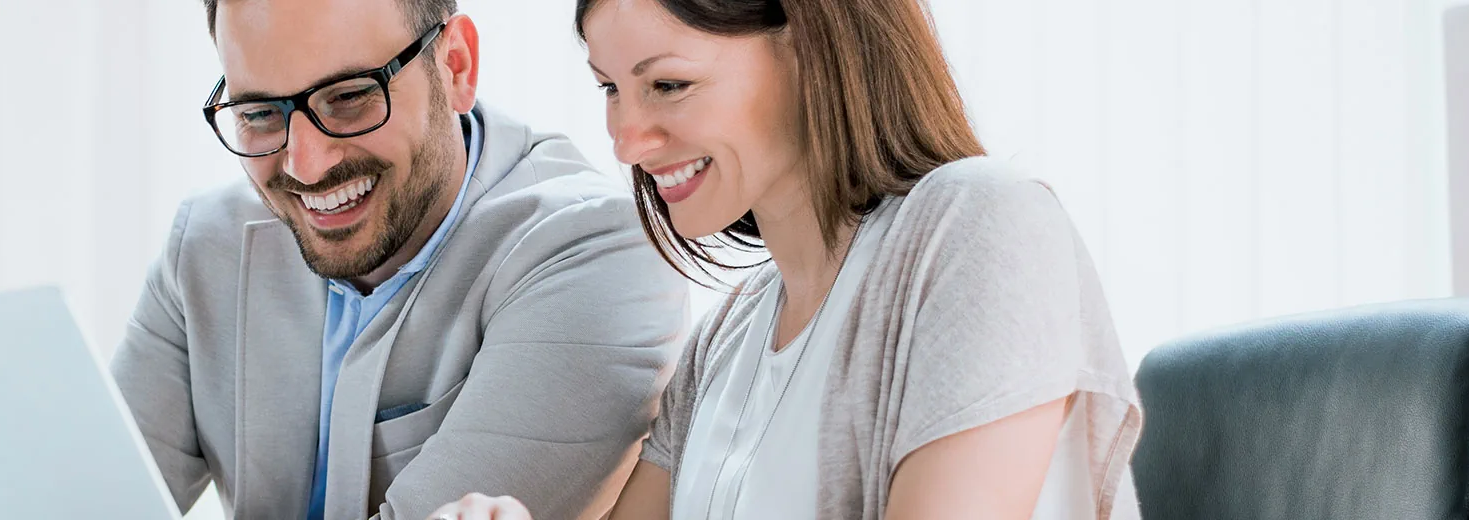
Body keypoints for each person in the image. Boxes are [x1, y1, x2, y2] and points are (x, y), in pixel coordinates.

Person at [428, 0, 1145, 518]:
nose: (626, 140)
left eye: (668, 84)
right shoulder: (723, 344)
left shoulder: (981, 224)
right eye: (611, 88)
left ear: (811, 44)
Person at [108, 0, 692, 518]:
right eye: (260, 113)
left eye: (349, 97)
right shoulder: (206, 241)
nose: (305, 165)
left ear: (456, 65)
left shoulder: (601, 255)